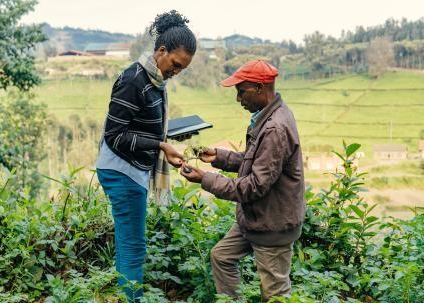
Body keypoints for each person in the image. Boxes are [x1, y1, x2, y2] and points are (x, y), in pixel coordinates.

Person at [180, 60, 306, 301]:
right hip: (256, 219)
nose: (239, 99)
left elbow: (254, 186)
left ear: (260, 88)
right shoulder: (268, 117)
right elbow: (256, 161)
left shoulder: (275, 128)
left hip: (273, 224)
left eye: (241, 92)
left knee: (275, 293)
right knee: (222, 257)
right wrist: (219, 157)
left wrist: (205, 179)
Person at [95, 10, 196, 302]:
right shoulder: (133, 80)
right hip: (121, 170)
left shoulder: (155, 80)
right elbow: (115, 136)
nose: (176, 72)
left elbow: (143, 125)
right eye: (175, 65)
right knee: (133, 246)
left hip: (134, 169)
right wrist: (160, 146)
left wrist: (165, 141)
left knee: (133, 244)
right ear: (161, 51)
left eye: (182, 69)